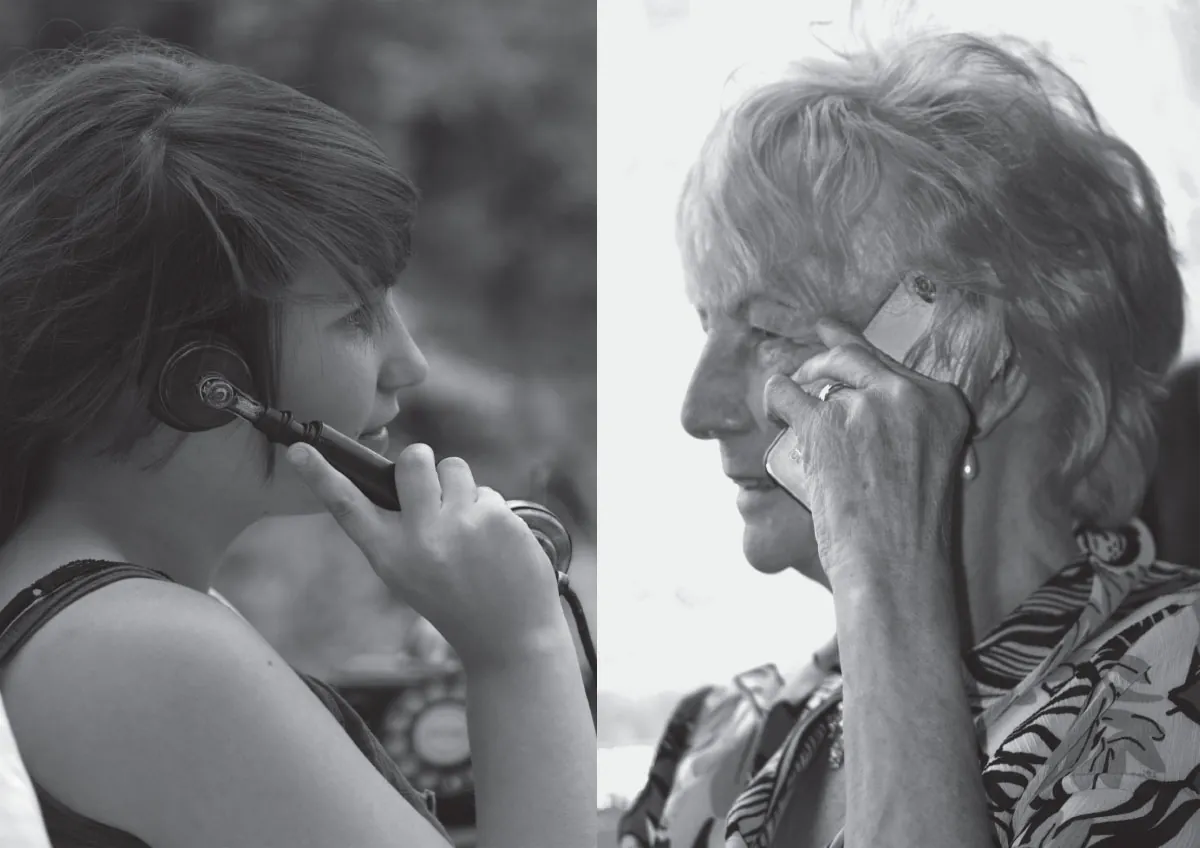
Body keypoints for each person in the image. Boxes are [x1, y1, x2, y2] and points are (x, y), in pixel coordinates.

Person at [0, 37, 593, 848]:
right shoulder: (150, 651)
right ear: (196, 375)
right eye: (355, 316)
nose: (409, 364)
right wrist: (517, 650)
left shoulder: (106, 616)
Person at [619, 31, 1200, 848]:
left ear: (978, 367)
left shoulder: (1176, 695)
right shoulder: (714, 740)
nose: (699, 408)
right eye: (706, 326)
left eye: (767, 330)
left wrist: (885, 572)